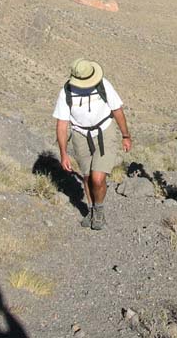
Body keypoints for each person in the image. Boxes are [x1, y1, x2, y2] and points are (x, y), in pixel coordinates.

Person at [53, 58, 132, 230]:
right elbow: (61, 124)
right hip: (80, 135)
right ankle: (91, 210)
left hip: (105, 131)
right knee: (87, 176)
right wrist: (63, 153)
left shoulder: (103, 85)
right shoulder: (66, 92)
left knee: (98, 178)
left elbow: (117, 110)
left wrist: (126, 135)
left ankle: (99, 210)